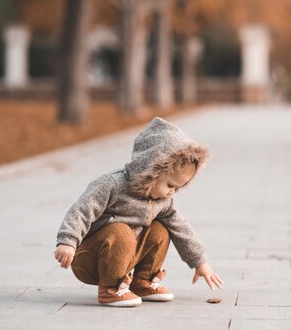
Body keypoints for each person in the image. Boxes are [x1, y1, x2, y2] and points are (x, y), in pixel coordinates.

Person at [53, 116, 223, 307]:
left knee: (162, 229)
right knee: (121, 231)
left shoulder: (162, 201)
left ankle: (142, 281)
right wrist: (67, 241)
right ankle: (110, 289)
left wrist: (200, 262)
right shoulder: (113, 185)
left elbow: (181, 229)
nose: (172, 192)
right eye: (169, 185)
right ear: (151, 171)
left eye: (178, 188)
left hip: (125, 259)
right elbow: (82, 210)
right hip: (90, 258)